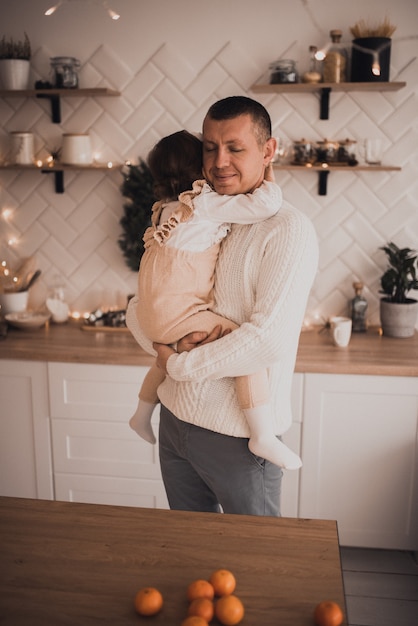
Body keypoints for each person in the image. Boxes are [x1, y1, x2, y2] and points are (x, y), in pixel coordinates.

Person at [128, 96, 318, 516]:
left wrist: (176, 362)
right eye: (209, 147)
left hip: (238, 436)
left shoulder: (289, 229)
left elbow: (265, 342)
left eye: (235, 147)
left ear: (268, 151)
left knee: (257, 562)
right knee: (192, 559)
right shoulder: (200, 214)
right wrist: (165, 343)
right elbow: (147, 303)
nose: (219, 162)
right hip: (175, 422)